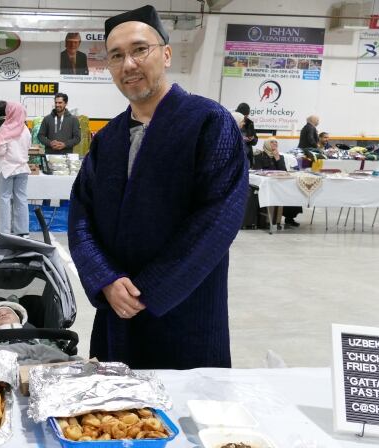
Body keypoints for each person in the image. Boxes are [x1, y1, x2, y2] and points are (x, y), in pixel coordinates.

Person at [68, 5, 247, 369]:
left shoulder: (208, 122)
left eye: (139, 50)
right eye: (116, 56)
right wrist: (105, 279)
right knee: (115, 417)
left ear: (166, 54)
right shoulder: (109, 138)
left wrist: (146, 291)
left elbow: (217, 220)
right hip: (116, 309)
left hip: (185, 307)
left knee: (186, 413)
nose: (128, 64)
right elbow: (80, 214)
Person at [0, 101, 31, 236]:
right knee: (21, 199)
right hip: (23, 168)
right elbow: (28, 146)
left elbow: (1, 151)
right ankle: (22, 231)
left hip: (7, 169)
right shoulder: (25, 129)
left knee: (4, 199)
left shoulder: (5, 128)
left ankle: (4, 232)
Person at [254, 139, 302, 228]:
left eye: (276, 142)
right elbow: (258, 170)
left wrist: (278, 159)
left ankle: (290, 218)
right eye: (272, 142)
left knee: (292, 193)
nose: (275, 144)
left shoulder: (280, 157)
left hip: (279, 182)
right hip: (267, 184)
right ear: (267, 144)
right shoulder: (259, 156)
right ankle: (268, 220)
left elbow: (283, 171)